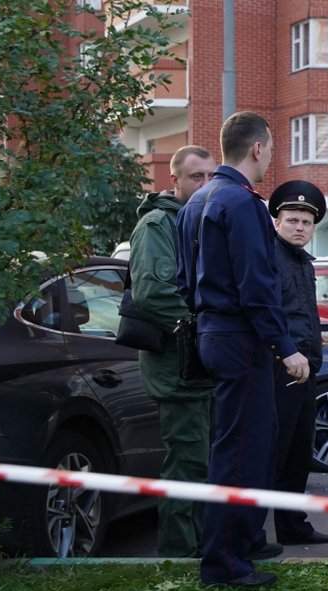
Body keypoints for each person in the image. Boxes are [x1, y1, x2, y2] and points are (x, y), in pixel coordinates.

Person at [176, 111, 310, 589]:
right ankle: (224, 564)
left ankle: (243, 545)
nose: (272, 155)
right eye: (271, 147)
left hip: (213, 333)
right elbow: (257, 287)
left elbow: (183, 281)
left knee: (240, 444)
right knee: (240, 454)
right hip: (240, 340)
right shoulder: (242, 204)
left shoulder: (196, 202)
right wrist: (286, 347)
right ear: (257, 148)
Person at [129, 145, 216, 558]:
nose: (204, 184)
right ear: (174, 181)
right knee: (188, 463)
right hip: (177, 366)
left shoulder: (198, 221)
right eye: (195, 177)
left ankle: (204, 547)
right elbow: (153, 293)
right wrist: (206, 329)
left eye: (209, 177)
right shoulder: (157, 225)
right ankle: (179, 556)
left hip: (201, 365)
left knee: (206, 462)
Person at [267, 180, 328, 546]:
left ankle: (293, 526)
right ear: (277, 222)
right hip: (279, 370)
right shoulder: (270, 257)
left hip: (306, 369)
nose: (299, 227)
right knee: (273, 455)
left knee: (298, 454)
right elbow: (271, 315)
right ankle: (254, 534)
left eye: (306, 223)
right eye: (292, 219)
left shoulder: (304, 263)